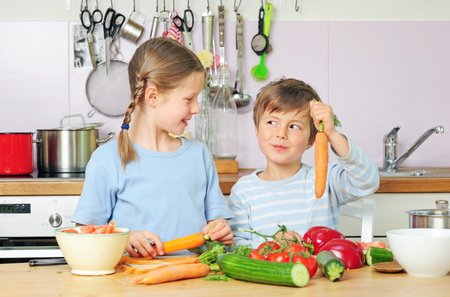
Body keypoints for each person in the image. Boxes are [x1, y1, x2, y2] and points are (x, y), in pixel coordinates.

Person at [72, 38, 234, 257]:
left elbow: (216, 221)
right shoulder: (107, 159)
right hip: (130, 284)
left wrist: (220, 229)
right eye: (189, 99)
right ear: (153, 96)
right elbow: (84, 235)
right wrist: (123, 239)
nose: (196, 108)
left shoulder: (200, 155)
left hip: (196, 281)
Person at [228, 78, 379, 248]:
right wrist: (272, 247)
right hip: (269, 274)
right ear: (257, 129)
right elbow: (236, 245)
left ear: (311, 140)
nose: (281, 134)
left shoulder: (327, 180)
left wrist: (332, 133)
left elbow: (368, 181)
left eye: (294, 126)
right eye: (272, 122)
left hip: (322, 274)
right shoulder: (244, 191)